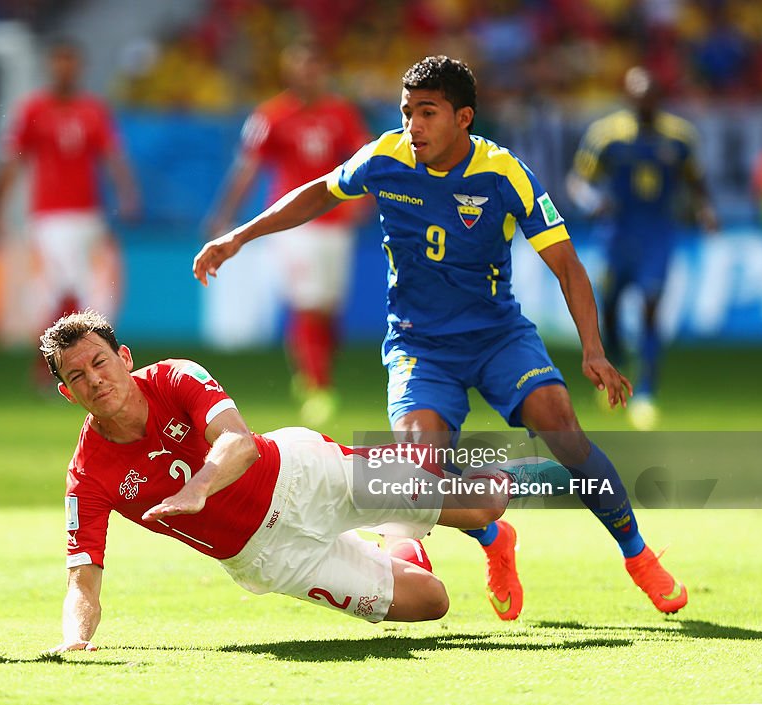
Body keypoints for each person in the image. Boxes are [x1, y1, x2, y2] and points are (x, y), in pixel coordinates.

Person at [194, 55, 687, 620]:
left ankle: (638, 555)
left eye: (427, 113)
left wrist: (594, 352)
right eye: (407, 113)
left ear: (464, 118)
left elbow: (569, 267)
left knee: (562, 428)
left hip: (498, 336)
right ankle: (493, 535)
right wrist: (239, 235)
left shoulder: (504, 173)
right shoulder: (385, 157)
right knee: (418, 471)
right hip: (420, 346)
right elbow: (319, 192)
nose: (413, 127)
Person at [39, 309, 566, 653]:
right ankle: (399, 528)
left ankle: (532, 466)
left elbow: (239, 442)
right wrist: (74, 643)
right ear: (67, 393)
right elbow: (82, 579)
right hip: (272, 559)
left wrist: (198, 486)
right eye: (77, 376)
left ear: (124, 358)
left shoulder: (175, 376)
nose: (95, 380)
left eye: (100, 362)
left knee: (483, 508)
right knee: (432, 604)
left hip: (305, 476)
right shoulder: (87, 475)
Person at [204, 40, 371, 426]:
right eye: (302, 67)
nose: (309, 74)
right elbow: (247, 169)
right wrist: (224, 214)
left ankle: (315, 371)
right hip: (293, 226)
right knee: (308, 304)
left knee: (329, 310)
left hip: (335, 223)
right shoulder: (272, 115)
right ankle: (316, 385)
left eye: (314, 67)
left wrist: (364, 200)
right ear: (290, 72)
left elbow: (363, 159)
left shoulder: (341, 113)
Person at [567, 66, 718, 430]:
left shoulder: (679, 138)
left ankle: (647, 392)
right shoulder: (607, 136)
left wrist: (705, 210)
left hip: (657, 235)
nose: (644, 102)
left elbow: (696, 181)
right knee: (613, 312)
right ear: (628, 98)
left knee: (652, 307)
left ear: (659, 99)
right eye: (638, 96)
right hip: (617, 235)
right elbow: (578, 180)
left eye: (650, 96)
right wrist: (591, 202)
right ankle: (612, 374)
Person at [0, 38, 140, 335]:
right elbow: (13, 161)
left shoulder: (94, 111)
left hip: (88, 214)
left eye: (70, 62)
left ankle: (62, 359)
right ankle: (51, 359)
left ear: (80, 68)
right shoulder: (32, 111)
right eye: (59, 61)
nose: (64, 69)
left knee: (84, 289)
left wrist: (127, 195)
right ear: (50, 66)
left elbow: (113, 157)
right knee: (61, 286)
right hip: (49, 215)